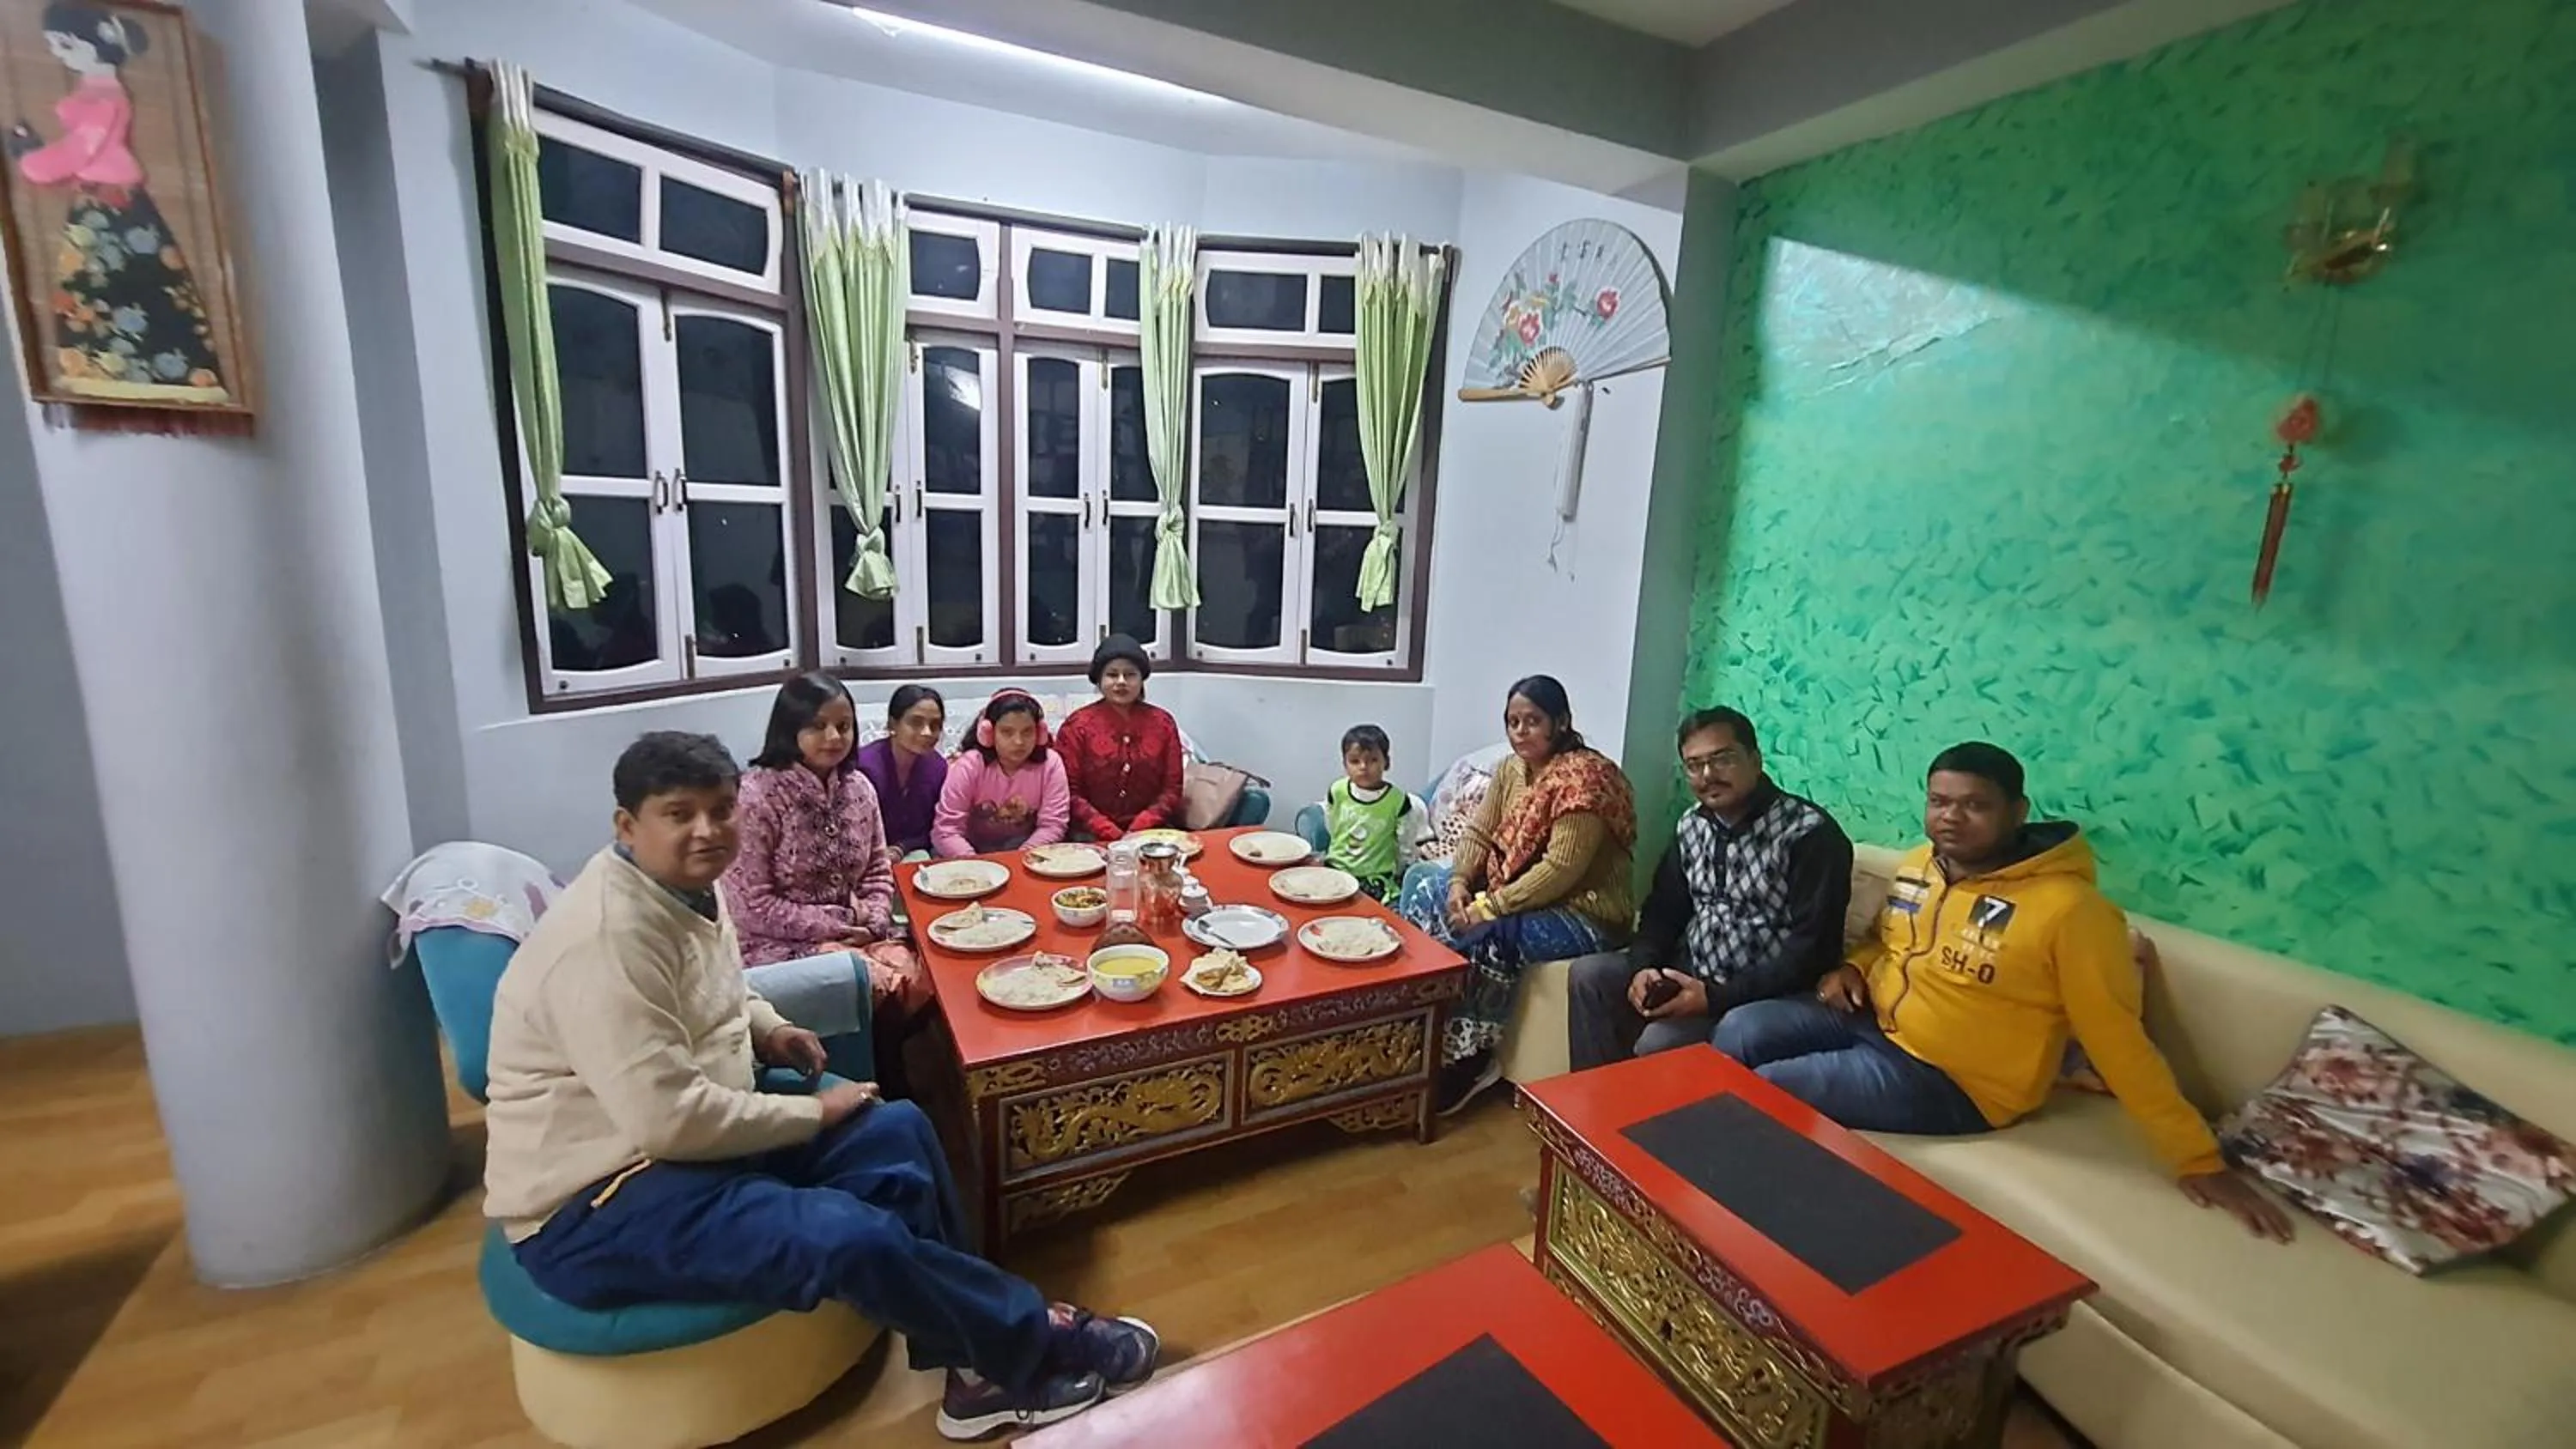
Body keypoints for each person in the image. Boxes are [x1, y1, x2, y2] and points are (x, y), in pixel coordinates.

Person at [483, 732, 1159, 1439]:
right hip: (598, 1201)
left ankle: (974, 1369)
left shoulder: (680, 889)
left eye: (720, 810)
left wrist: (769, 1026)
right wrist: (808, 1113)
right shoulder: (604, 940)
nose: (707, 831)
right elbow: (670, 1122)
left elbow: (715, 990)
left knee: (897, 1129)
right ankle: (1030, 1340)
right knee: (846, 1234)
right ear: (628, 825)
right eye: (678, 814)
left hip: (683, 1152)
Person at [1716, 743, 2295, 1243]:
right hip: (1878, 1024)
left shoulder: (2071, 912)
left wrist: (2197, 1158)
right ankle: (1702, 1189)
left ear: (2016, 812)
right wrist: (1853, 968)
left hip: (1955, 1081)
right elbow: (1885, 943)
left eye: (1975, 805)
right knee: (1741, 1029)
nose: (1951, 818)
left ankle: (1749, 1227)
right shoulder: (1922, 867)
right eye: (1939, 802)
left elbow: (2117, 1037)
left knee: (1773, 1091)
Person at [1400, 676, 1635, 1116]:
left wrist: (1490, 905)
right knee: (1427, 890)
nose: (1520, 732)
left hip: (1583, 913)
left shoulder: (1585, 781)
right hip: (1517, 893)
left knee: (1488, 933)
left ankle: (1469, 1056)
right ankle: (1418, 1028)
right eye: (1513, 722)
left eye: (1533, 721)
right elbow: (1480, 833)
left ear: (1561, 723)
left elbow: (1561, 869)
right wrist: (1459, 884)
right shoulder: (1511, 769)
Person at [1570, 707, 1853, 1072]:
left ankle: (1646, 1124)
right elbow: (1662, 912)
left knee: (1661, 1041)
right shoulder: (1692, 825)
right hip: (1690, 971)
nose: (1707, 776)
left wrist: (1712, 997)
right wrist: (1646, 967)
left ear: (1755, 760)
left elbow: (1813, 951)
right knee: (1589, 976)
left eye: (1722, 760)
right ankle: (1594, 1108)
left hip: (1760, 996)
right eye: (1694, 765)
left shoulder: (1808, 835)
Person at [8, 5, 231, 406]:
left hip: (112, 206)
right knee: (103, 287)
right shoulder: (95, 93)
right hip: (99, 202)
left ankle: (136, 369)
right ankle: (108, 368)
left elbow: (80, 151)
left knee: (115, 285)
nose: (58, 53)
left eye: (64, 45)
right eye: (53, 46)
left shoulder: (105, 98)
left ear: (96, 43)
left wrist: (31, 160)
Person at [722, 674, 930, 1094]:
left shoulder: (858, 788)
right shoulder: (756, 796)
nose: (834, 737)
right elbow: (753, 905)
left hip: (860, 929)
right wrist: (840, 923)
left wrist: (871, 916)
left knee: (932, 975)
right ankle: (870, 1080)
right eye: (817, 726)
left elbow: (877, 865)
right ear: (789, 728)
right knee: (880, 982)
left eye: (844, 725)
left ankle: (893, 1066)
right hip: (775, 942)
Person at [1055, 635, 1185, 841]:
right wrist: (1107, 831)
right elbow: (1069, 792)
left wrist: (1140, 827)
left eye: (1130, 674)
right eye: (1112, 674)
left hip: (1152, 833)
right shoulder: (1077, 726)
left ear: (1141, 679)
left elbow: (1172, 789)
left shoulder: (1163, 723)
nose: (1121, 682)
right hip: (1088, 835)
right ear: (1100, 680)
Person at [933, 692, 1072, 858]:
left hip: (1029, 853)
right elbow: (947, 830)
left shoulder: (1051, 764)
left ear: (1040, 733)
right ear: (989, 734)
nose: (1019, 742)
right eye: (1007, 732)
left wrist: (1020, 859)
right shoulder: (969, 766)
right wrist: (974, 863)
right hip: (970, 854)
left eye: (1027, 732)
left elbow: (1053, 825)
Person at [1322, 724, 1427, 902]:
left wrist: (1400, 872)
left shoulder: (1398, 801)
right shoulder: (1337, 791)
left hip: (1376, 878)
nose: (1363, 767)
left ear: (1386, 762)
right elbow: (1332, 825)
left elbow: (1405, 844)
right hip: (1336, 870)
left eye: (1372, 760)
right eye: (1355, 761)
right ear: (1345, 764)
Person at [854, 685, 947, 861]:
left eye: (935, 725)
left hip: (911, 853)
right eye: (916, 723)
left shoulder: (938, 767)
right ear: (892, 724)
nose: (927, 732)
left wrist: (901, 848)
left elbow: (936, 827)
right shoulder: (863, 767)